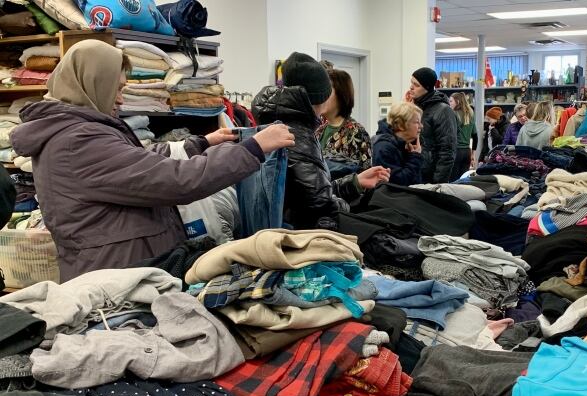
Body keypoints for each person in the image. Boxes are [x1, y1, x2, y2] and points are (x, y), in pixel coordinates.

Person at [10, 40, 296, 281]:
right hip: (117, 280)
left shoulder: (79, 131)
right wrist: (253, 149)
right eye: (117, 88)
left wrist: (201, 142)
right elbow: (177, 180)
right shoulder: (78, 141)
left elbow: (136, 162)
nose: (122, 99)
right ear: (92, 84)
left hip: (121, 270)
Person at [252, 52, 390, 230]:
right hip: (299, 237)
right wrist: (351, 211)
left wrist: (355, 182)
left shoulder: (277, 126)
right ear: (321, 96)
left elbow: (312, 191)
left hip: (279, 231)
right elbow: (321, 203)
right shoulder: (298, 138)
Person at [315, 68, 372, 179]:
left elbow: (366, 177)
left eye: (328, 90)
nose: (322, 96)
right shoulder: (318, 131)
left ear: (341, 94)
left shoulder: (356, 132)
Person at [405, 67, 457, 183]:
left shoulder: (443, 111)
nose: (411, 87)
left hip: (429, 177)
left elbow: (447, 152)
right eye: (411, 83)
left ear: (427, 88)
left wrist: (438, 184)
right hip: (412, 172)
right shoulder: (413, 107)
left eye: (416, 85)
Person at [371, 102, 424, 186]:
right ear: (400, 125)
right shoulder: (384, 147)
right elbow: (398, 183)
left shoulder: (404, 145)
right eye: (417, 122)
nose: (421, 126)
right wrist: (415, 157)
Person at [448, 92, 476, 181]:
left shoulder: (453, 114)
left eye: (451, 101)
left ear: (458, 101)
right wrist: (473, 154)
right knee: (463, 181)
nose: (449, 104)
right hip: (467, 153)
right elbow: (475, 136)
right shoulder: (471, 115)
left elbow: (450, 135)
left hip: (456, 152)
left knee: (453, 182)